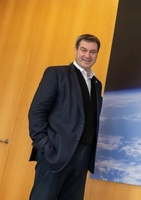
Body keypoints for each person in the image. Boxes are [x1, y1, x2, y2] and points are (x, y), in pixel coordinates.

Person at [28, 34, 103, 200]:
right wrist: (44, 145)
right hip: (55, 152)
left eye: (93, 51)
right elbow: (37, 111)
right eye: (83, 50)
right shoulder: (56, 73)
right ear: (76, 50)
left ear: (97, 54)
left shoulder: (97, 83)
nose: (87, 55)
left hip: (83, 156)